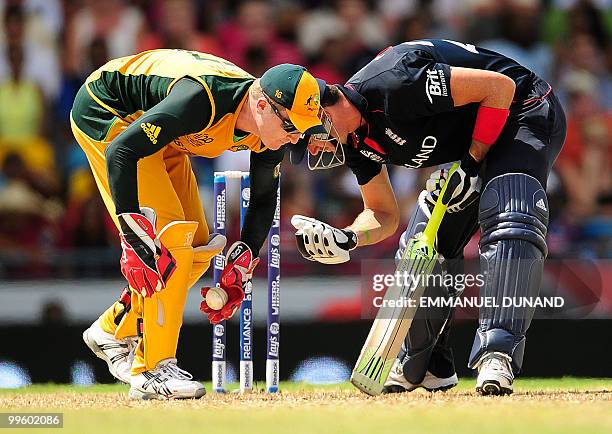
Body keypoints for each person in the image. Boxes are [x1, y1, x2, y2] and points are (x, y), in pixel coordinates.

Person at [289, 39, 566, 395]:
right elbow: (382, 213)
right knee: (423, 244)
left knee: (510, 209)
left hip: (523, 109)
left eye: (307, 137)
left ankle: (497, 353)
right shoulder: (355, 141)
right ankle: (427, 364)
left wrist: (469, 165)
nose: (312, 148)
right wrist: (351, 238)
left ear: (323, 109)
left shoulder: (395, 82)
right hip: (476, 141)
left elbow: (500, 87)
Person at [70, 49, 327, 399]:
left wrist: (245, 257)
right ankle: (152, 370)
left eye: (302, 128)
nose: (296, 137)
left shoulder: (270, 131)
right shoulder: (202, 100)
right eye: (292, 126)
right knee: (169, 239)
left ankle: (113, 328)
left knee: (200, 250)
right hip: (109, 114)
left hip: (160, 132)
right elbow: (122, 150)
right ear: (262, 105)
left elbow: (266, 196)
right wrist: (132, 233)